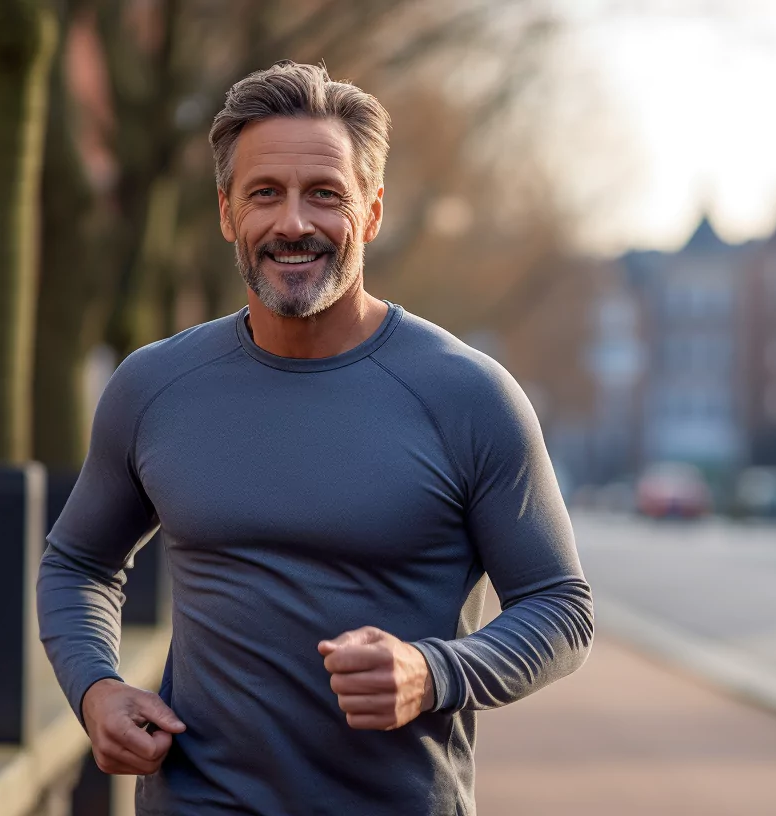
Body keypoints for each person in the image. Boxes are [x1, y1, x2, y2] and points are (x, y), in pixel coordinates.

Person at [37, 60, 594, 815]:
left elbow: (559, 608)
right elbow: (76, 564)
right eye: (265, 193)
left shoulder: (468, 394)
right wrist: (95, 689)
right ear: (228, 212)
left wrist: (434, 673)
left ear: (370, 213)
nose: (293, 223)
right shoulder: (153, 387)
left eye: (324, 194)